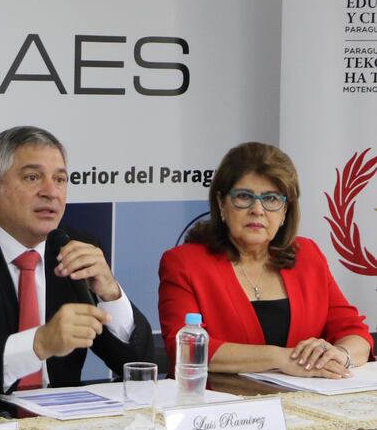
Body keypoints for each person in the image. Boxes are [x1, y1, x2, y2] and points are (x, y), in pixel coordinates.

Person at [0, 125, 153, 418]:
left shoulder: (75, 248)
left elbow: (139, 363)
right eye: (32, 177)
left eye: (60, 179)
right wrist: (41, 342)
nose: (51, 192)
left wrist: (111, 293)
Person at [158, 142, 372, 378]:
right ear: (221, 203)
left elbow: (356, 333)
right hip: (220, 407)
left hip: (304, 404)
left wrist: (340, 354)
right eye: (243, 196)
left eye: (271, 199)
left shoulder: (307, 255)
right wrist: (281, 358)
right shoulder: (185, 263)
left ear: (285, 211)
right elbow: (186, 349)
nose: (257, 210)